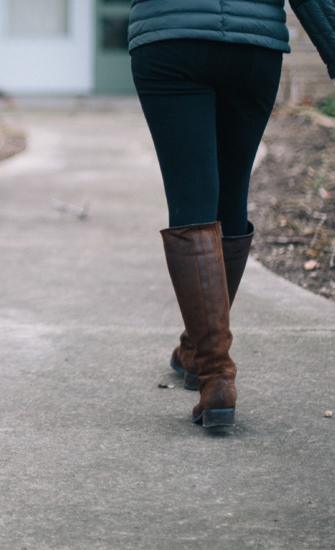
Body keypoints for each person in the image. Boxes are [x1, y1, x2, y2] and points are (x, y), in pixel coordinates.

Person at [128, 0, 335, 428]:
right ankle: (197, 349)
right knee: (232, 192)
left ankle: (215, 373)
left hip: (171, 37)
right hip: (252, 46)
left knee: (192, 197)